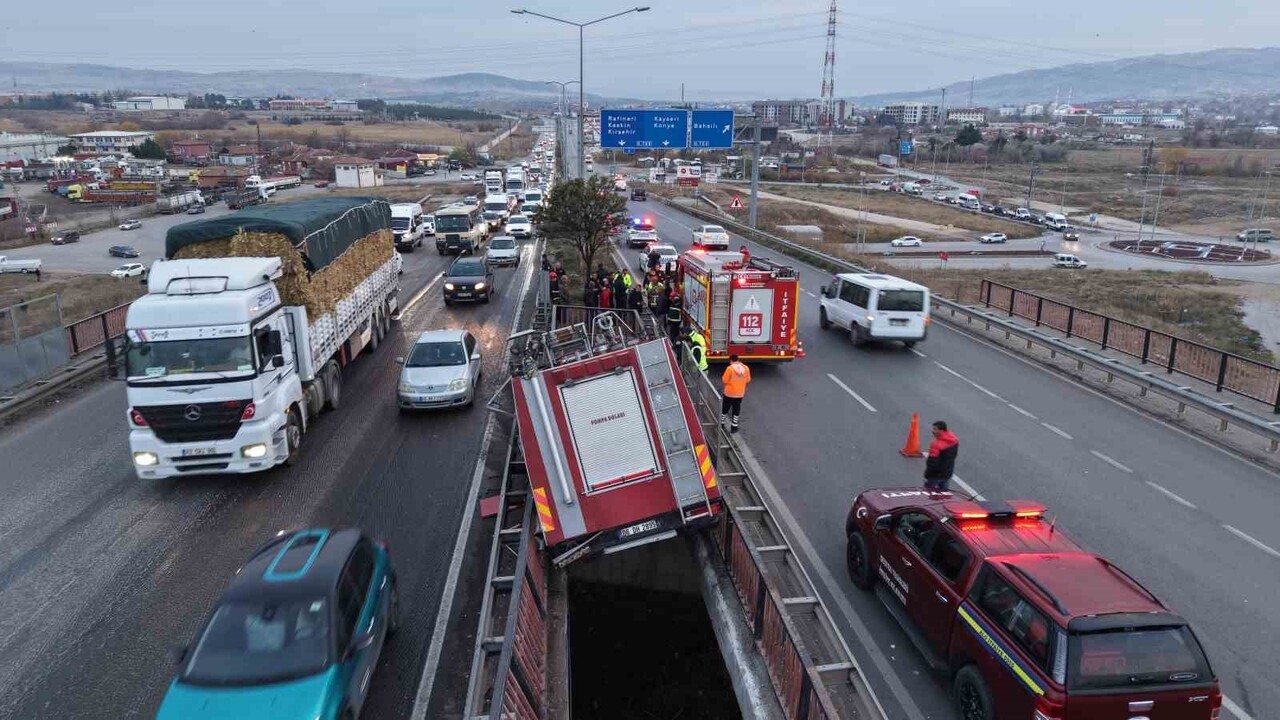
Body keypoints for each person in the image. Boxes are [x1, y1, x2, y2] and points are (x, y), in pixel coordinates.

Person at [923, 421, 959, 490]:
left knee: (928, 495)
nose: (932, 431)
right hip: (947, 474)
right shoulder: (954, 440)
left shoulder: (936, 445)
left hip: (935, 476)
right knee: (943, 495)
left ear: (941, 430)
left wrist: (927, 475)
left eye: (935, 429)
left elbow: (932, 463)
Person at [720, 354, 751, 433]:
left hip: (729, 393)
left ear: (731, 360)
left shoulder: (730, 369)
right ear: (738, 360)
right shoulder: (746, 368)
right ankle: (734, 427)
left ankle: (721, 424)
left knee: (725, 408)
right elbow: (748, 380)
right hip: (739, 394)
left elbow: (724, 380)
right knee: (736, 409)